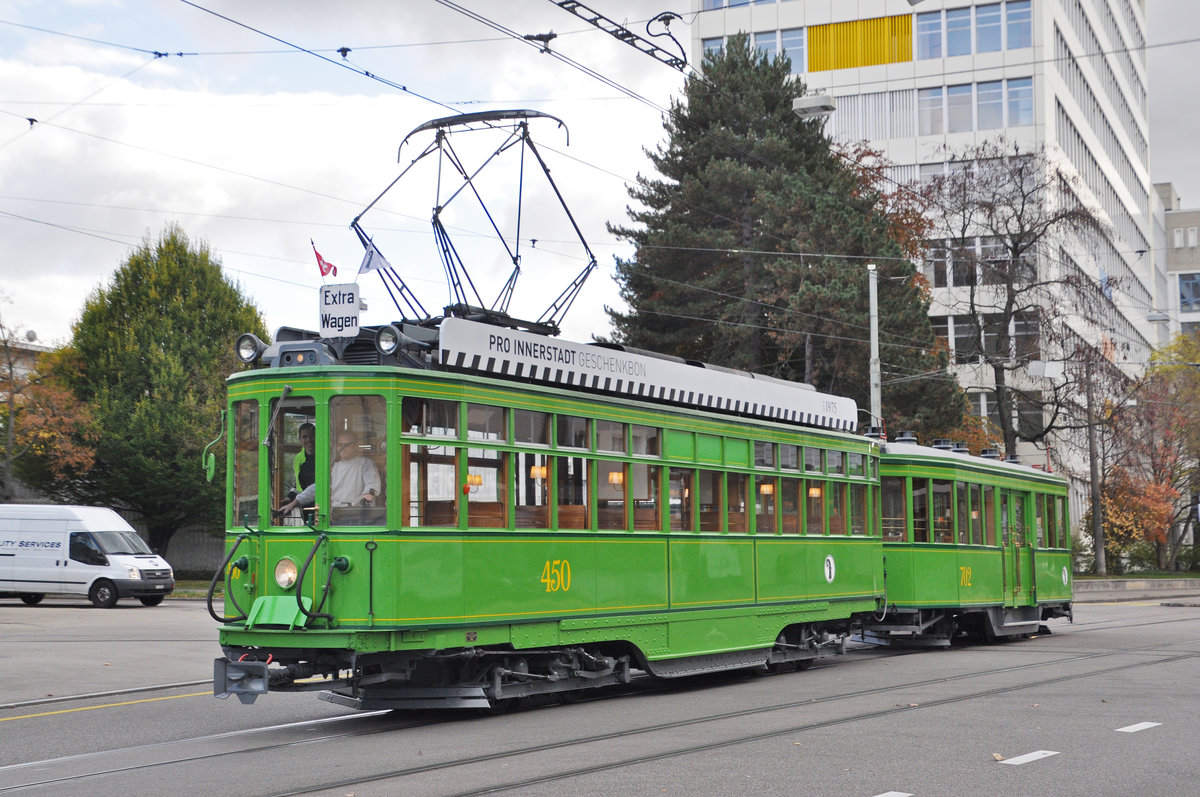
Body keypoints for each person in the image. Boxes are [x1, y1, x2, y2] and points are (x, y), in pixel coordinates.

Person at [276, 431, 381, 524]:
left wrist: (366, 499)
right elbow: (318, 488)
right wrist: (294, 503)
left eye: (347, 445)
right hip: (336, 518)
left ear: (355, 445)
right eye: (340, 445)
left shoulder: (365, 463)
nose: (342, 448)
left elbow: (372, 486)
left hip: (359, 520)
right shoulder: (335, 466)